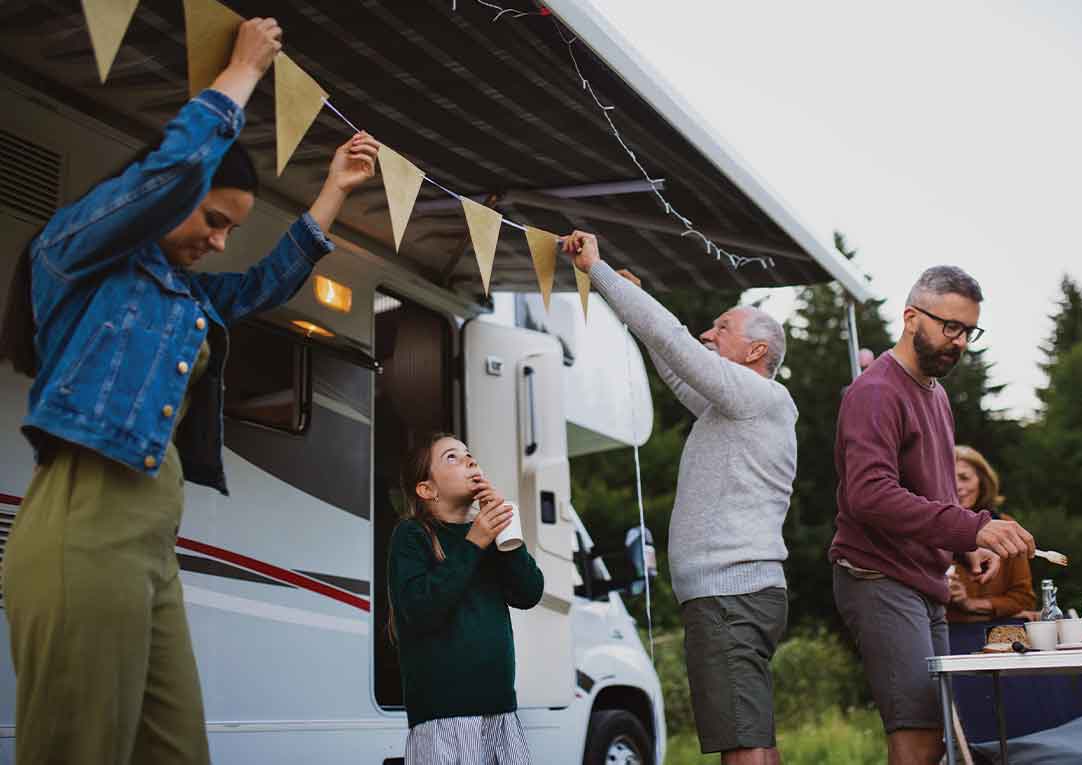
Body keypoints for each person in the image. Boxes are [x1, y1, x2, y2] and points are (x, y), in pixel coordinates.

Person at [0, 18, 380, 765]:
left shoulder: (182, 295)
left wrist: (333, 189)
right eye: (214, 220)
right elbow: (172, 173)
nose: (219, 241)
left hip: (152, 540)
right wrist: (241, 73)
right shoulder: (79, 253)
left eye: (229, 229)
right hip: (87, 522)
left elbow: (267, 281)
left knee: (179, 751)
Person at [561, 231, 795, 765]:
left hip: (731, 595)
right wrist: (627, 301)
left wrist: (597, 271)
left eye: (722, 327)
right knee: (749, 731)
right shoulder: (731, 407)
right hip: (733, 594)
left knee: (742, 742)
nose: (707, 333)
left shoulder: (759, 396)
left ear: (757, 350)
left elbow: (677, 343)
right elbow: (674, 360)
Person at [828, 266, 1036, 765]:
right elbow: (870, 496)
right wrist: (973, 526)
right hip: (878, 576)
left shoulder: (937, 395)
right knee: (917, 737)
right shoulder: (876, 392)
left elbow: (935, 490)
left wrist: (967, 546)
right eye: (950, 327)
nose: (960, 342)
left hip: (927, 581)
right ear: (910, 317)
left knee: (939, 734)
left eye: (969, 331)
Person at [387, 434, 544, 765]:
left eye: (470, 455)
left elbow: (529, 593)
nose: (470, 460)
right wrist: (474, 543)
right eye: (452, 458)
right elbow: (420, 610)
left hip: (500, 711)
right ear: (427, 489)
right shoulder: (412, 535)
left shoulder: (487, 535)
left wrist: (505, 535)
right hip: (444, 716)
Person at [946, 446, 1036, 623]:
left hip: (995, 634)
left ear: (982, 482)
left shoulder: (1006, 527)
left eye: (964, 478)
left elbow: (1024, 599)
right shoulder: (930, 530)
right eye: (949, 479)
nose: (957, 486)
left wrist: (971, 604)